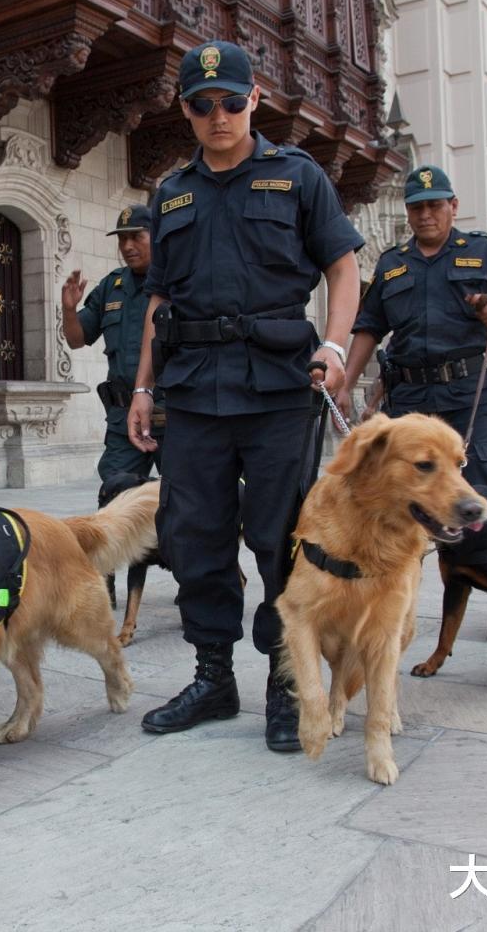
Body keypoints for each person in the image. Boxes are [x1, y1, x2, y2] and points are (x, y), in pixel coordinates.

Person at [125, 40, 363, 752]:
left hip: (278, 386)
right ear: (185, 110)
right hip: (194, 388)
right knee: (192, 537)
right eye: (203, 105)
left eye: (232, 101)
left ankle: (287, 683)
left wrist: (335, 347)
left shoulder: (297, 176)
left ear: (254, 99)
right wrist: (143, 386)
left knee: (280, 537)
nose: (218, 115)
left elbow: (343, 268)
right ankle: (213, 678)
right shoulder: (172, 193)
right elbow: (158, 299)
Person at [336, 165, 487, 644]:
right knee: (400, 494)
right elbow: (369, 327)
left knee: (485, 487)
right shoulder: (393, 264)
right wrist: (346, 383)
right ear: (407, 212)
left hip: (467, 392)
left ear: (453, 207)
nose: (425, 214)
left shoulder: (482, 252)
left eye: (434, 205)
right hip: (409, 396)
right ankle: (390, 597)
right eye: (417, 207)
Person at [61, 204, 164, 480]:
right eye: (122, 239)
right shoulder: (111, 286)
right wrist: (69, 310)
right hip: (125, 418)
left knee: (186, 495)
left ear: (156, 236)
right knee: (115, 491)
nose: (127, 246)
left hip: (173, 414)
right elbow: (76, 339)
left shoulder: (177, 283)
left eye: (136, 237)